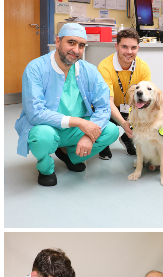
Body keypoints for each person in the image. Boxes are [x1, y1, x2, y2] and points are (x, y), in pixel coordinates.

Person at [14, 23, 118, 187]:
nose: (76, 50)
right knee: (42, 137)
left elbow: (104, 107)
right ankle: (45, 168)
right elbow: (35, 113)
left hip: (75, 131)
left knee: (111, 130)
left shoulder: (88, 70)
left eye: (81, 45)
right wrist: (81, 123)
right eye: (71, 42)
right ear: (57, 41)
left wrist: (88, 136)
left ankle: (70, 155)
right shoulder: (35, 68)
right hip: (47, 127)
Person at [97, 28, 151, 160]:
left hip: (130, 107)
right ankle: (103, 144)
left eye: (133, 47)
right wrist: (123, 123)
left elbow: (145, 98)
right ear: (116, 46)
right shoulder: (105, 67)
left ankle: (127, 139)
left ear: (138, 48)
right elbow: (107, 102)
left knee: (147, 111)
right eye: (124, 47)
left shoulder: (143, 67)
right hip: (108, 106)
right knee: (102, 115)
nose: (129, 52)